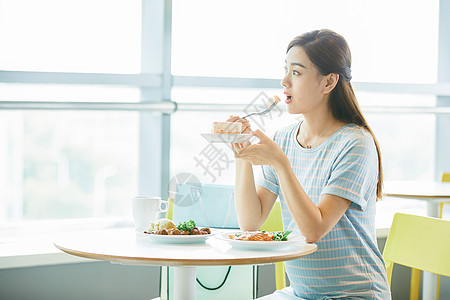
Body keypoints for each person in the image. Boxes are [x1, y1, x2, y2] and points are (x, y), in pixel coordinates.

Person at [227, 29, 391, 299]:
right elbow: (250, 222)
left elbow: (314, 230)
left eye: (297, 72)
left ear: (329, 82)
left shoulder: (355, 143)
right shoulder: (285, 138)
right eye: (286, 70)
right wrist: (242, 154)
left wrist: (281, 163)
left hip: (354, 293)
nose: (284, 81)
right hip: (301, 293)